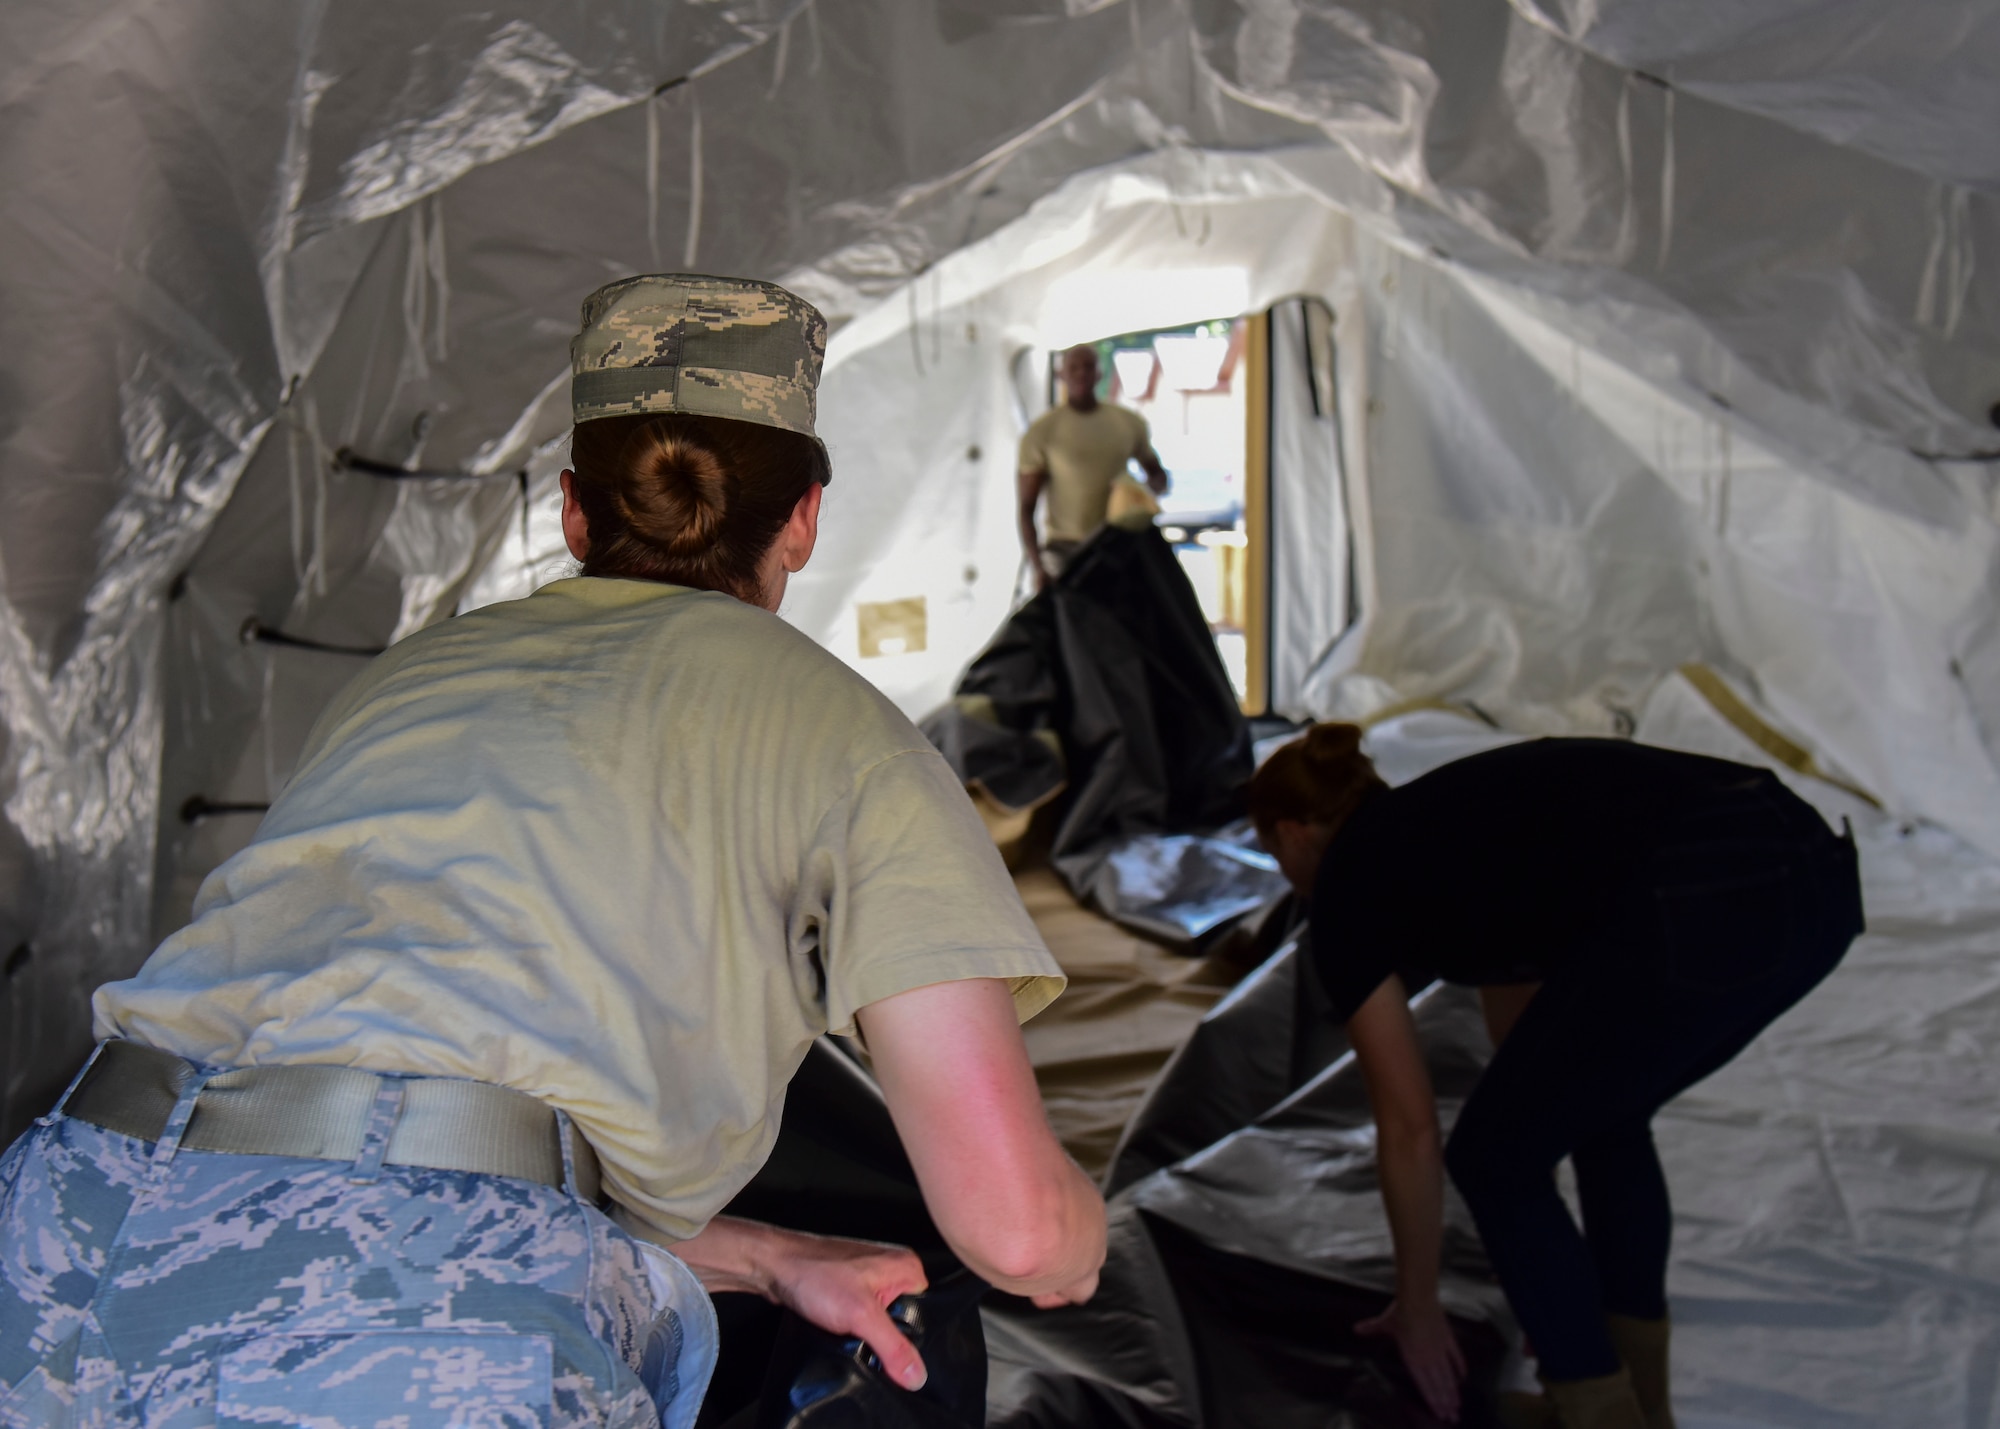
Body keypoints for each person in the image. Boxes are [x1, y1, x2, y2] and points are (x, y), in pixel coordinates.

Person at [0, 275, 1106, 1429]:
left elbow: (365, 1120)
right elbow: (1012, 1224)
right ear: (805, 519)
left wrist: (770, 1257)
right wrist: (1081, 1238)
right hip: (401, 1313)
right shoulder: (847, 738)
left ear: (575, 514)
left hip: (68, 1221)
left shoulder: (413, 679)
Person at [1250, 726, 1864, 1429]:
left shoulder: (1350, 886)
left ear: (1293, 833)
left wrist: (1417, 1308)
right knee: (1605, 1114)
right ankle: (1634, 1398)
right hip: (1812, 875)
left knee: (1490, 1158)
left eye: (1272, 853)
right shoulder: (1455, 830)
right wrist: (1554, 1290)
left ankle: (1597, 1412)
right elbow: (1539, 1053)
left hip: (1708, 884)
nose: (1282, 874)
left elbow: (1411, 1127)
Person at [1017, 343, 1168, 589]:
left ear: (1099, 373)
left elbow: (1157, 476)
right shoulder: (1042, 433)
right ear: (1061, 375)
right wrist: (1038, 567)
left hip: (1118, 547)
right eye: (1074, 368)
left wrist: (1146, 489)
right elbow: (1026, 508)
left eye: (1088, 367)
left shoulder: (1127, 424)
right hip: (1065, 549)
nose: (1081, 374)